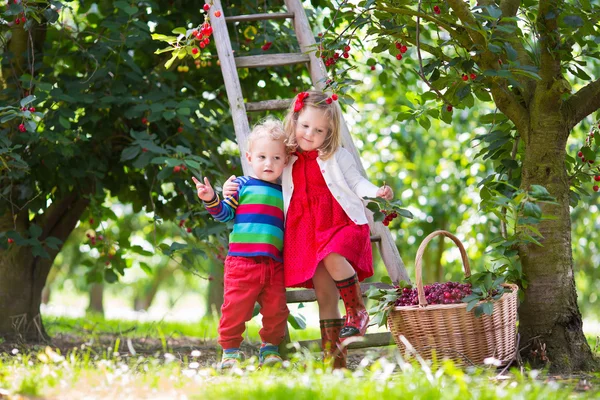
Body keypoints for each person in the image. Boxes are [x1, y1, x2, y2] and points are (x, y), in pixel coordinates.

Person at [224, 91, 393, 369]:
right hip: (307, 233)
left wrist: (376, 192)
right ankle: (335, 364)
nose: (309, 134)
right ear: (295, 119)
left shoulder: (337, 156)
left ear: (329, 132)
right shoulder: (287, 158)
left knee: (333, 256)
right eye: (304, 126)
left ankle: (357, 310)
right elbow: (261, 174)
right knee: (326, 298)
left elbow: (356, 182)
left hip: (339, 224)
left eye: (318, 130)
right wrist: (231, 187)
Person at [193, 118, 290, 370]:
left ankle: (269, 349)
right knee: (234, 309)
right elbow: (225, 214)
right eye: (262, 157)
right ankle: (230, 351)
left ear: (286, 160)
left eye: (276, 158)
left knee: (277, 310)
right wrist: (211, 198)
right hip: (242, 263)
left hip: (274, 264)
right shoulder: (241, 185)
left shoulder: (285, 193)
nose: (269, 163)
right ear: (249, 158)